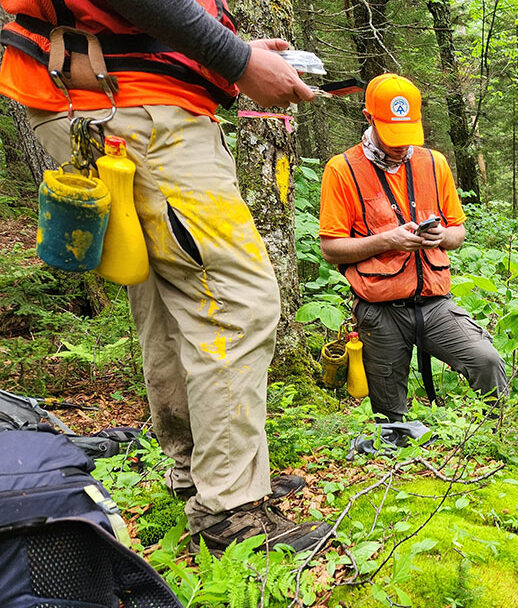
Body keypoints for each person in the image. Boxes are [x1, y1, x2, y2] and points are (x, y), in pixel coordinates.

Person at [0, 0, 329, 551]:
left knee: (170, 297)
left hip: (103, 99)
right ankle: (230, 510)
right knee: (235, 300)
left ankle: (200, 474)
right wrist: (239, 62)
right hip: (129, 105)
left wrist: (232, 57)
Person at [318, 73, 508, 423]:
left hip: (436, 304)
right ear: (368, 117)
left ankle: (498, 435)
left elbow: (458, 232)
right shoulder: (341, 170)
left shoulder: (433, 163)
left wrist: (442, 237)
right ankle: (399, 461)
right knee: (390, 416)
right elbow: (331, 248)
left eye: (407, 135)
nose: (401, 145)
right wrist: (390, 239)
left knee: (486, 360)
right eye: (392, 134)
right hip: (380, 310)